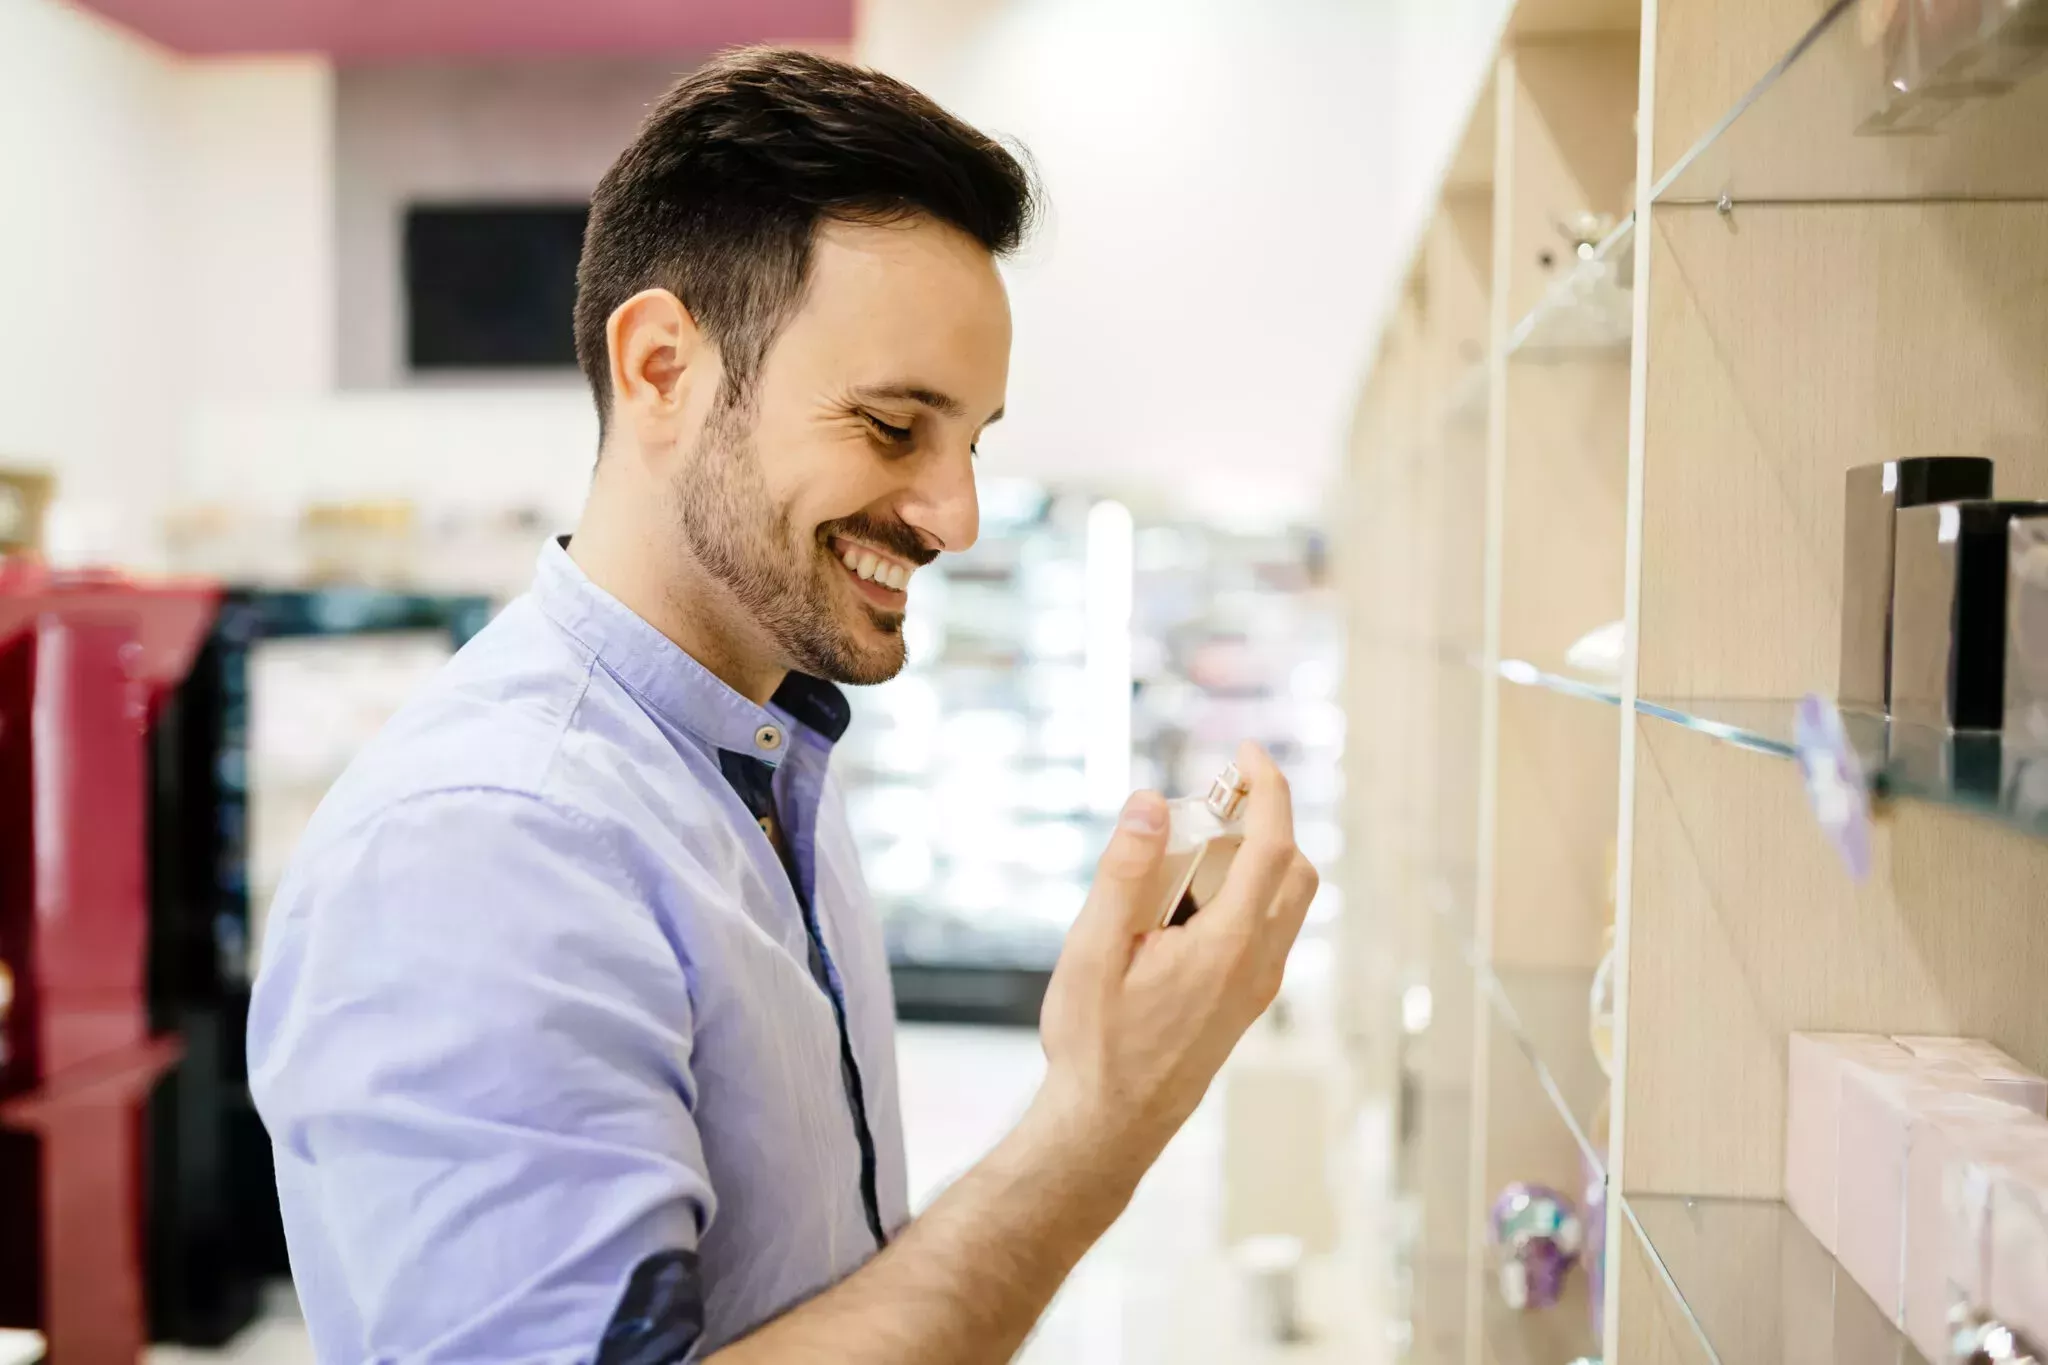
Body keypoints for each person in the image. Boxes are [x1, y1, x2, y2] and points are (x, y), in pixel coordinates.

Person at [248, 46, 1318, 1364]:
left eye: (970, 440)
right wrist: (1101, 1122)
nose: (957, 514)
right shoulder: (490, 843)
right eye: (889, 427)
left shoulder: (760, 748)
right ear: (660, 370)